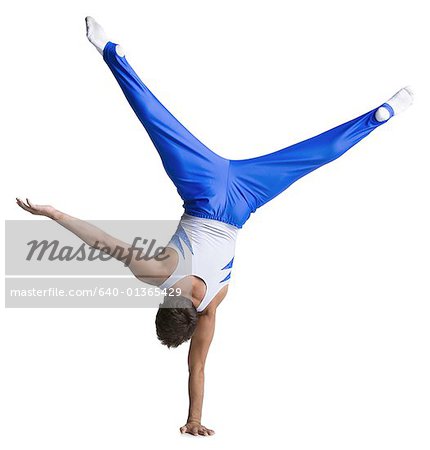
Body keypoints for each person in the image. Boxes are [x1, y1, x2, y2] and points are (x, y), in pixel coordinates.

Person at [16, 17, 413, 436]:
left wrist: (194, 419)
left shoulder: (211, 308)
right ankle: (109, 51)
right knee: (158, 123)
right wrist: (55, 215)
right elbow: (105, 242)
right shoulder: (158, 275)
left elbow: (198, 367)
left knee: (311, 157)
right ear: (168, 301)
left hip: (244, 202)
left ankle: (380, 116)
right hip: (203, 189)